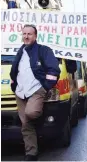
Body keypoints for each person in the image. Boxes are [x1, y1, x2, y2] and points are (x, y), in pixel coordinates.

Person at [10, 24, 60, 161]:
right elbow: (16, 71)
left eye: (29, 34)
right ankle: (31, 153)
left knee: (30, 113)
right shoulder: (20, 51)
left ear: (35, 36)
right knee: (26, 125)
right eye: (24, 34)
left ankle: (39, 124)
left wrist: (45, 87)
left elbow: (54, 70)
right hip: (20, 92)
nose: (26, 36)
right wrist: (13, 84)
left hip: (36, 90)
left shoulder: (44, 50)